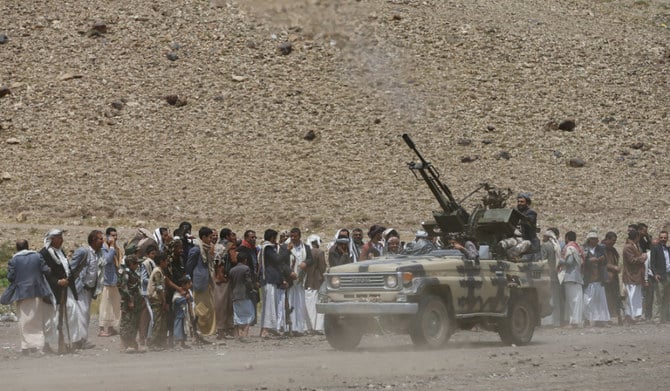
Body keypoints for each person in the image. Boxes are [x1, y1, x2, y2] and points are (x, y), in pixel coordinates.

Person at [0, 240, 55, 355]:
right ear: (28, 246)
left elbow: (10, 277)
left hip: (21, 294)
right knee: (37, 320)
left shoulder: (14, 260)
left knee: (24, 321)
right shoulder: (37, 256)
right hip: (37, 292)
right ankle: (38, 346)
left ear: (17, 248)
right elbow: (46, 270)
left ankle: (26, 346)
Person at [70, 230, 116, 349]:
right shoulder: (84, 252)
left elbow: (107, 260)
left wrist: (111, 248)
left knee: (85, 315)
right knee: (82, 314)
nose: (103, 241)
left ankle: (79, 340)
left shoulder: (99, 253)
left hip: (90, 290)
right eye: (100, 239)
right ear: (93, 241)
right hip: (80, 288)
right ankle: (80, 340)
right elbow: (71, 268)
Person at [40, 229, 79, 351]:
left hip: (66, 288)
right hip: (53, 290)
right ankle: (50, 344)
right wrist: (57, 281)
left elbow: (66, 268)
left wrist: (68, 279)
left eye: (61, 237)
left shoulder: (60, 251)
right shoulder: (44, 253)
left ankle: (70, 341)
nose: (61, 240)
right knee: (53, 318)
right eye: (59, 237)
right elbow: (45, 273)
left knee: (72, 312)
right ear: (52, 239)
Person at [279, 227, 313, 335]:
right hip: (290, 279)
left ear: (299, 236)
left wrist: (306, 263)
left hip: (301, 278)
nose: (293, 238)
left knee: (300, 303)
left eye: (295, 236)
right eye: (291, 236)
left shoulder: (305, 247)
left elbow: (310, 259)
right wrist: (290, 272)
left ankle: (299, 327)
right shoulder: (285, 247)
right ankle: (289, 327)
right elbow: (282, 263)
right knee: (289, 302)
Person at [187, 227, 217, 338]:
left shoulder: (207, 249)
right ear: (203, 237)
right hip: (198, 283)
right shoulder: (196, 250)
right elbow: (189, 267)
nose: (211, 239)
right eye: (209, 237)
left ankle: (207, 331)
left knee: (210, 308)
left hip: (206, 283)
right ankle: (197, 331)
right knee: (200, 309)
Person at [259, 229, 286, 338]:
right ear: (272, 238)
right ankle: (266, 330)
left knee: (269, 305)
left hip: (270, 280)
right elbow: (277, 260)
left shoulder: (264, 248)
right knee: (269, 305)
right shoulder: (268, 248)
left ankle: (268, 329)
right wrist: (287, 251)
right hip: (269, 279)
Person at [582, 232, 610, 326]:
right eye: (594, 239)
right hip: (589, 279)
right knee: (587, 301)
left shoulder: (600, 249)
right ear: (590, 240)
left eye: (597, 239)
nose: (597, 241)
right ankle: (587, 319)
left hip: (599, 278)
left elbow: (605, 261)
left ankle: (601, 320)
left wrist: (602, 259)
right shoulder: (584, 249)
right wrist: (589, 260)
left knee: (600, 301)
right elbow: (581, 261)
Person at [98, 228, 122, 337]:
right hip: (106, 280)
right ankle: (102, 328)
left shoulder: (116, 248)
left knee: (115, 305)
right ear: (107, 236)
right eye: (112, 236)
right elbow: (106, 260)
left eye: (116, 235)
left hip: (114, 280)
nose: (115, 238)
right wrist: (111, 247)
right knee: (105, 306)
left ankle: (112, 327)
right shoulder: (103, 248)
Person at [117, 254, 143, 353]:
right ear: (131, 264)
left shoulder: (132, 272)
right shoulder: (125, 273)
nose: (137, 265)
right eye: (136, 263)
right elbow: (123, 287)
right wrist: (129, 300)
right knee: (126, 322)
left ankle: (132, 342)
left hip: (135, 300)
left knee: (133, 322)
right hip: (129, 301)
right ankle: (125, 344)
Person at [622, 229, 648, 325]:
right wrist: (642, 258)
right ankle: (631, 316)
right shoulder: (628, 247)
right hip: (631, 275)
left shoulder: (634, 246)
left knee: (636, 296)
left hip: (636, 275)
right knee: (631, 296)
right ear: (636, 237)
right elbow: (632, 260)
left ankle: (635, 316)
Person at [229, 251, 256, 340]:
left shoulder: (232, 270)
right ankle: (245, 332)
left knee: (237, 314)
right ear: (245, 260)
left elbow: (231, 283)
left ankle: (237, 334)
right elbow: (248, 281)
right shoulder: (246, 268)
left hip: (235, 295)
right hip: (244, 294)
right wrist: (252, 289)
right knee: (250, 313)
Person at [559, 231, 584, 327]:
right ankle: (576, 321)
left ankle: (573, 322)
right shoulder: (577, 247)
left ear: (567, 238)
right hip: (577, 277)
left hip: (570, 277)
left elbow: (569, 262)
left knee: (571, 300)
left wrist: (560, 260)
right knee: (577, 300)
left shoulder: (570, 248)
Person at [305, 235, 327, 333]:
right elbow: (322, 267)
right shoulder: (319, 252)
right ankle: (318, 327)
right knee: (318, 303)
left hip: (307, 281)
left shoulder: (305, 252)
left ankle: (309, 327)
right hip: (317, 281)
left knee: (309, 305)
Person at [147, 253, 169, 349]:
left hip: (158, 299)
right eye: (166, 261)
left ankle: (160, 342)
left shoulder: (159, 271)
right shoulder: (157, 272)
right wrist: (164, 300)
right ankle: (152, 343)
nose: (167, 263)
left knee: (161, 321)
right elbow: (159, 288)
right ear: (161, 261)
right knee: (157, 322)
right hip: (156, 300)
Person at [541, 230, 562, 327]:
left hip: (547, 275)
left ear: (548, 237)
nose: (542, 238)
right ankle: (556, 321)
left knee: (547, 298)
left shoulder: (545, 246)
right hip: (555, 275)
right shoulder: (556, 245)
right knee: (556, 298)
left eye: (544, 236)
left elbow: (543, 260)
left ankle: (548, 322)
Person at [602, 232, 623, 325]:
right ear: (607, 239)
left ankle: (618, 317)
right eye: (612, 240)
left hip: (614, 277)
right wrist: (613, 267)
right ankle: (606, 319)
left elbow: (616, 260)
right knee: (607, 298)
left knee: (616, 297)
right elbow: (602, 263)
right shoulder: (601, 249)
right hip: (605, 278)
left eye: (615, 241)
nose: (614, 242)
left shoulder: (613, 250)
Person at [650, 231, 670, 323]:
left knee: (667, 297)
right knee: (658, 297)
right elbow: (652, 263)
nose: (663, 239)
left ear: (667, 238)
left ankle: (665, 317)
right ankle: (656, 318)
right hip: (660, 276)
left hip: (668, 275)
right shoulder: (655, 248)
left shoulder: (668, 249)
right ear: (659, 238)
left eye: (665, 237)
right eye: (661, 237)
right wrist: (655, 274)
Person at [172, 275, 193, 349]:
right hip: (179, 315)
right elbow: (176, 300)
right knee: (179, 329)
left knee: (185, 329)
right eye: (188, 283)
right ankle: (178, 344)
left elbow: (191, 299)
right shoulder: (177, 293)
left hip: (184, 315)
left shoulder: (188, 292)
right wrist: (185, 299)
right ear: (183, 284)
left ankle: (183, 343)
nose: (190, 285)